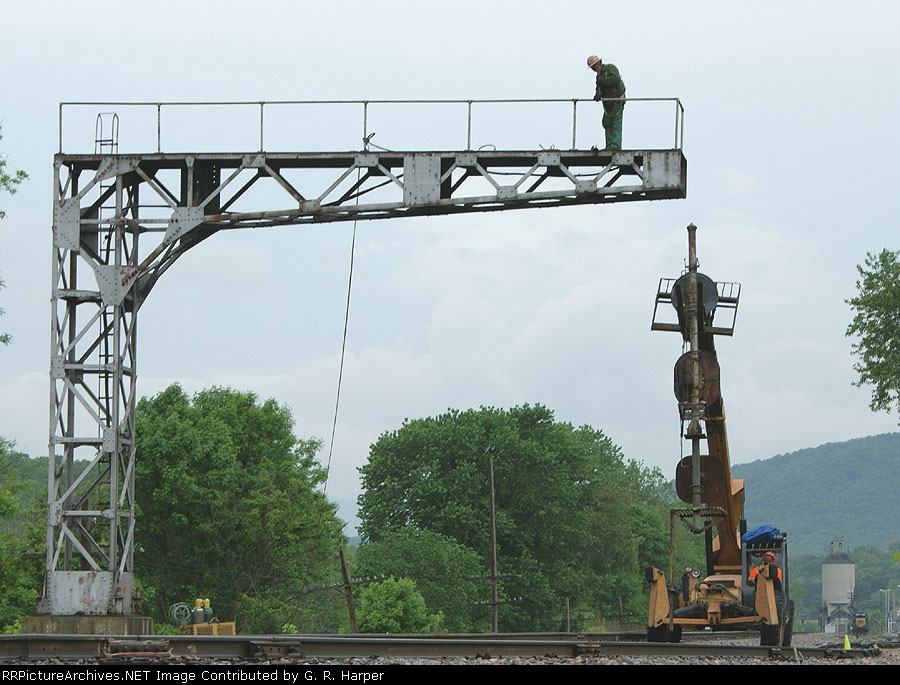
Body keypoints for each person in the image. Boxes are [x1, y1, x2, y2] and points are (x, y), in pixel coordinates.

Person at [586, 55, 626, 150]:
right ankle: (609, 145)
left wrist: (604, 81)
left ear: (599, 63)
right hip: (608, 103)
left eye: (595, 66)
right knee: (607, 122)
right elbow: (599, 88)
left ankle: (615, 145)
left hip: (617, 99)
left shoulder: (610, 68)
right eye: (592, 67)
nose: (594, 69)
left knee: (615, 122)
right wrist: (597, 95)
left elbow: (615, 79)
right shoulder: (599, 76)